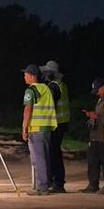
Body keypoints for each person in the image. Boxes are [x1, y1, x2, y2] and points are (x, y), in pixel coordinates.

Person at [21, 63, 56, 196]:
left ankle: (42, 187)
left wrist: (24, 128)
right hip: (47, 127)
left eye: (25, 75)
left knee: (38, 159)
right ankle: (46, 183)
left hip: (36, 129)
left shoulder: (31, 90)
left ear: (31, 76)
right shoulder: (46, 89)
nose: (24, 77)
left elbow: (28, 110)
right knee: (44, 157)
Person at [41, 59, 71, 193]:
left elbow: (48, 104)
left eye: (47, 73)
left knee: (53, 154)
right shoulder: (62, 84)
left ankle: (57, 183)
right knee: (55, 152)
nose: (45, 75)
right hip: (62, 123)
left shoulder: (54, 87)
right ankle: (58, 182)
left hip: (56, 124)